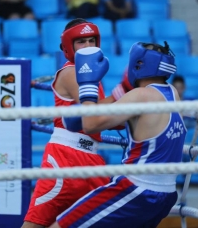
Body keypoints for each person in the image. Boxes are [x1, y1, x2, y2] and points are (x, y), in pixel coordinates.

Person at [50, 41, 186, 228]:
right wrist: (117, 95)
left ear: (138, 64)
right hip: (166, 194)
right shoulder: (173, 93)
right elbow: (112, 119)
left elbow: (90, 125)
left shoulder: (141, 96)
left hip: (136, 190)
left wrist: (87, 85)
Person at [22, 18, 121, 228]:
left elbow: (103, 117)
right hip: (64, 158)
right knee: (36, 224)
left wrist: (124, 111)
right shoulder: (70, 73)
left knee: (104, 220)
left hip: (90, 159)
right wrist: (124, 94)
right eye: (81, 42)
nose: (87, 47)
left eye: (91, 41)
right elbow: (94, 116)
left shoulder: (92, 77)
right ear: (68, 47)